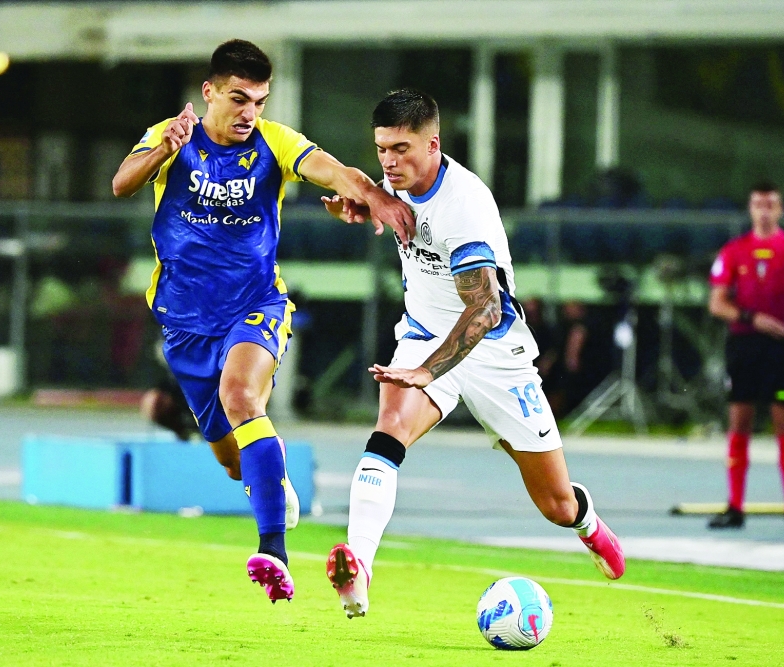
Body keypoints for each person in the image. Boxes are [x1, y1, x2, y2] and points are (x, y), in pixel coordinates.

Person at [111, 40, 414, 602]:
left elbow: (329, 168)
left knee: (242, 395)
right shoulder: (171, 136)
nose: (250, 111)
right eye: (239, 98)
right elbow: (122, 182)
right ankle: (271, 483)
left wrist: (374, 197)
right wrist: (162, 151)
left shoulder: (274, 142)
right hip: (184, 324)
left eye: (259, 100)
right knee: (232, 462)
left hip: (255, 305)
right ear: (209, 93)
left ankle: (273, 552)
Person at [320, 89, 624, 619]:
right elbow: (362, 185)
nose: (389, 162)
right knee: (389, 427)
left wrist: (427, 370)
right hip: (423, 330)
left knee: (555, 504)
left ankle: (588, 523)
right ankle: (359, 566)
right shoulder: (395, 185)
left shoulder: (465, 206)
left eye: (401, 149)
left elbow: (483, 312)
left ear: (433, 143)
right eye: (382, 149)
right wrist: (362, 202)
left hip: (494, 352)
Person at [706, 182, 784, 531]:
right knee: (741, 421)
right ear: (751, 210)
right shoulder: (735, 251)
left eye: (771, 204)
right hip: (746, 345)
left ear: (780, 210)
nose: (764, 211)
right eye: (758, 204)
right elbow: (718, 303)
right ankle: (735, 506)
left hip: (780, 347)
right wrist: (751, 317)